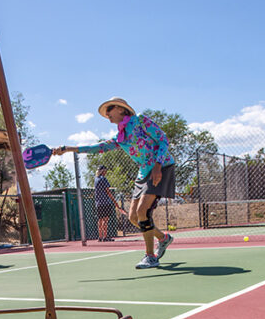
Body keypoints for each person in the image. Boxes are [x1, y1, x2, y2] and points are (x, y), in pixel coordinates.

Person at [53, 97, 174, 269]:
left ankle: (150, 256)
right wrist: (68, 149)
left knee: (142, 211)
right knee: (133, 217)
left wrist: (158, 164)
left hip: (160, 166)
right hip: (143, 172)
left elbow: (163, 139)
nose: (107, 115)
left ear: (120, 109)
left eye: (109, 110)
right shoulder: (120, 136)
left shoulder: (139, 120)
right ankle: (163, 238)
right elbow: (97, 148)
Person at [94, 165, 121, 241]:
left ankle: (100, 237)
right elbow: (108, 191)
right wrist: (114, 201)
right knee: (105, 220)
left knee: (100, 220)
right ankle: (105, 237)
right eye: (105, 171)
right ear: (102, 171)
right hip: (105, 202)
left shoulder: (96, 179)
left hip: (98, 202)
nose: (106, 172)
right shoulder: (103, 179)